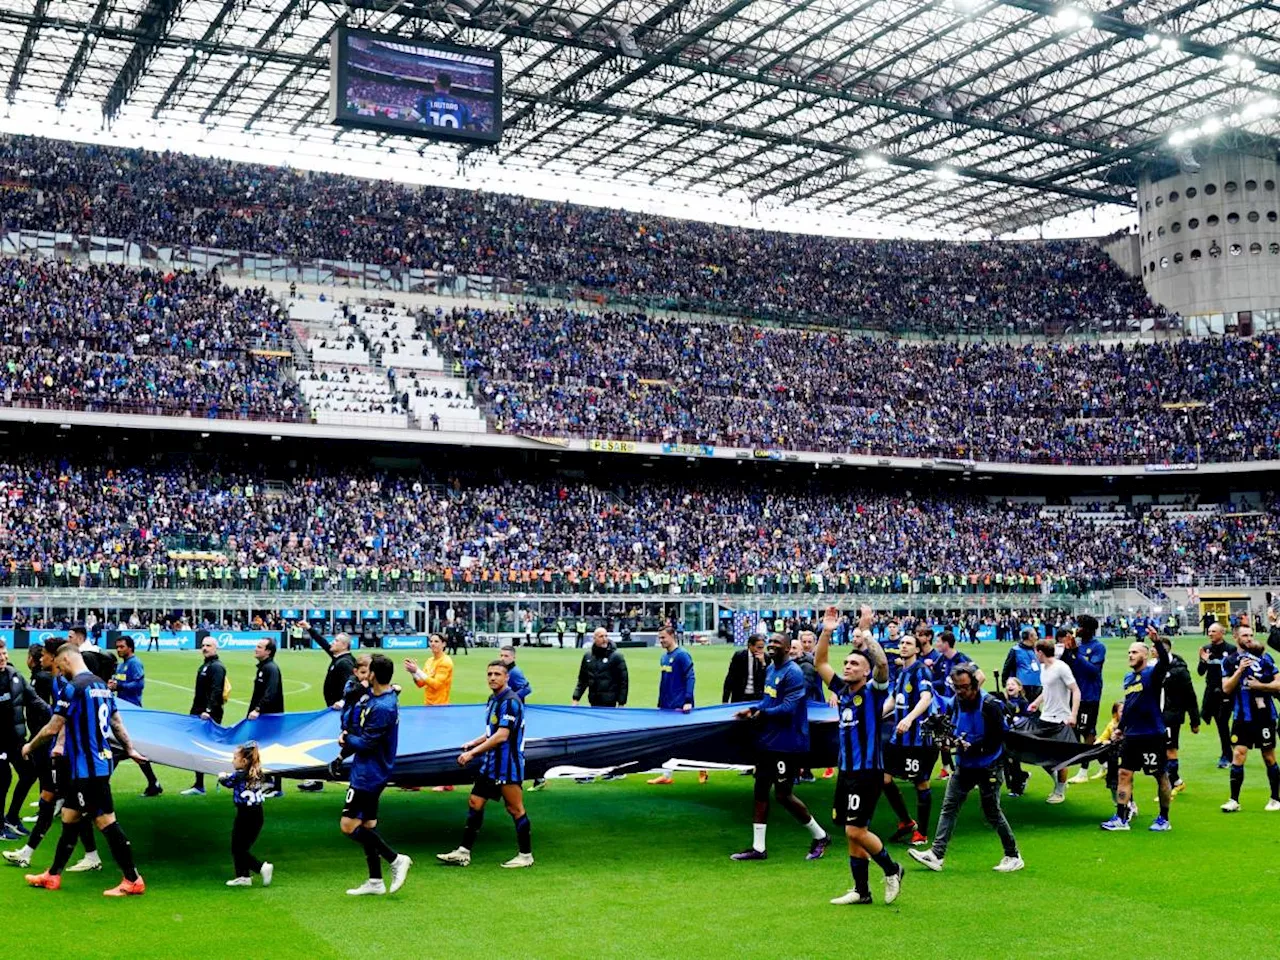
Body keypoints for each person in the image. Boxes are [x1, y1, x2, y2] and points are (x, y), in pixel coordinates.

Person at [21, 643, 147, 895]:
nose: (59, 672)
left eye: (59, 667)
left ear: (65, 661)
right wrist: (130, 749)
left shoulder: (74, 688)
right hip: (91, 766)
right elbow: (116, 722)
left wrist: (30, 746)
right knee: (69, 817)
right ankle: (53, 875)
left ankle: (132, 879)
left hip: (89, 770)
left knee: (106, 821)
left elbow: (53, 727)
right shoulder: (101, 685)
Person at [813, 606, 903, 905]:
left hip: (867, 772)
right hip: (847, 771)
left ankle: (892, 869)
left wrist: (865, 632)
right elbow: (820, 662)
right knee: (851, 833)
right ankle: (861, 891)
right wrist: (827, 630)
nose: (848, 666)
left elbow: (883, 665)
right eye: (847, 662)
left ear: (866, 671)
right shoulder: (843, 690)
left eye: (854, 663)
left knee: (856, 829)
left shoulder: (875, 691)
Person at [908, 663, 1024, 874]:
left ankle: (1013, 855)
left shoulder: (990, 705)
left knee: (992, 811)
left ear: (975, 685)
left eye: (964, 687)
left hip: (989, 765)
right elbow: (952, 729)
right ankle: (936, 854)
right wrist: (948, 744)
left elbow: (998, 738)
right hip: (965, 765)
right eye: (956, 687)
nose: (960, 692)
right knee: (949, 806)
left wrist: (972, 747)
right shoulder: (955, 703)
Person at [730, 630, 830, 862]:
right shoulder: (771, 670)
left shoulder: (793, 673)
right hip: (769, 741)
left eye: (777, 642)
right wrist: (753, 709)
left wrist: (760, 712)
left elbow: (788, 709)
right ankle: (758, 848)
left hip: (788, 743)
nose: (771, 645)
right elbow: (768, 700)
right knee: (761, 790)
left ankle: (820, 835)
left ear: (787, 649)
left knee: (784, 795)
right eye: (770, 641)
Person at [437, 660, 534, 869]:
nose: (492, 677)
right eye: (489, 673)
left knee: (515, 808)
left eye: (497, 674)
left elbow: (502, 735)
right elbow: (492, 731)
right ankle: (463, 852)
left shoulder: (510, 701)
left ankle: (526, 855)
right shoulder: (493, 699)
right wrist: (474, 742)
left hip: (507, 766)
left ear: (507, 677)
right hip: (490, 764)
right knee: (475, 802)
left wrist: (472, 753)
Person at [340, 654, 412, 896]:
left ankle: (396, 859)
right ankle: (375, 881)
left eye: (366, 670)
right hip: (370, 770)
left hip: (368, 774)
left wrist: (346, 739)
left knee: (349, 826)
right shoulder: (381, 696)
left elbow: (367, 744)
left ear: (373, 675)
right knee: (367, 825)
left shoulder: (382, 707)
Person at [1101, 627, 1173, 831]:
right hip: (1132, 735)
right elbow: (1130, 706)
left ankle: (1163, 818)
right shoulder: (1128, 678)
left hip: (1152, 734)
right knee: (1124, 773)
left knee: (1160, 775)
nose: (1130, 656)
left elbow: (1166, 662)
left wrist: (1157, 642)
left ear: (1145, 654)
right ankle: (1121, 817)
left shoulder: (1153, 674)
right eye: (1129, 653)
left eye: (1134, 652)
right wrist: (1120, 728)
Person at [881, 631, 936, 848]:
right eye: (902, 643)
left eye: (908, 644)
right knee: (884, 778)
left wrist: (910, 718)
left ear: (917, 649)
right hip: (899, 738)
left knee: (920, 782)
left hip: (918, 739)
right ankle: (906, 821)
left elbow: (926, 697)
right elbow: (895, 699)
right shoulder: (902, 672)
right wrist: (877, 715)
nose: (903, 646)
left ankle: (921, 833)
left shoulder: (921, 671)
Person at [1219, 623, 1280, 813]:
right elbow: (1226, 688)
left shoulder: (1265, 658)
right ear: (1236, 637)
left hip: (1264, 716)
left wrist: (1260, 686)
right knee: (1238, 754)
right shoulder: (1229, 661)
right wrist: (1239, 671)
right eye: (1245, 635)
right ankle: (1234, 800)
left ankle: (1275, 798)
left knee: (1268, 757)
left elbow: (1278, 685)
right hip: (1242, 717)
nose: (1249, 638)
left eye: (1251, 635)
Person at [298, 629, 357, 792]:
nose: (332, 642)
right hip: (335, 711)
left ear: (344, 645)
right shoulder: (339, 658)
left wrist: (343, 701)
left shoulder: (345, 663)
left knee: (342, 743)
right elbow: (325, 645)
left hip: (340, 712)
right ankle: (318, 778)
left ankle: (351, 779)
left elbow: (352, 682)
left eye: (336, 641)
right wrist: (309, 628)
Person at [0, 641, 45, 839]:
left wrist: (58, 715)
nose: (2, 658)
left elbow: (34, 700)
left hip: (16, 740)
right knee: (3, 779)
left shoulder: (14, 675)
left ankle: (11, 817)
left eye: (4, 653)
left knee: (29, 774)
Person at [1027, 637, 1079, 804]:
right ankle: (1058, 780)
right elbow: (1047, 689)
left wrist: (1073, 715)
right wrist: (1036, 702)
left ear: (1040, 652)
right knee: (1040, 755)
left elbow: (1076, 690)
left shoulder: (1061, 668)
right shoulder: (1044, 668)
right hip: (1045, 717)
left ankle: (1060, 791)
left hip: (1060, 719)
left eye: (1036, 652)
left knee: (1060, 758)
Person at [109, 636, 163, 797]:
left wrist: (119, 686)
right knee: (131, 749)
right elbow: (119, 683)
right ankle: (153, 783)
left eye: (121, 647)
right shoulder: (121, 666)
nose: (118, 650)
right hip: (122, 712)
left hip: (133, 712)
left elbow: (139, 685)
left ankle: (100, 784)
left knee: (118, 750)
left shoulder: (134, 663)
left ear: (130, 648)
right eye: (117, 647)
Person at [649, 626, 697, 785]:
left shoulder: (682, 655)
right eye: (659, 638)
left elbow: (690, 677)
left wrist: (688, 700)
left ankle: (703, 767)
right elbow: (664, 683)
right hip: (666, 706)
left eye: (663, 637)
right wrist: (660, 703)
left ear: (672, 636)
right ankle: (666, 775)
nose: (661, 641)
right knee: (669, 741)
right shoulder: (663, 658)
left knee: (684, 740)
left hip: (680, 706)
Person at [222, 741, 274, 887]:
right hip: (257, 814)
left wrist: (221, 777)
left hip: (246, 815)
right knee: (240, 847)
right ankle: (243, 876)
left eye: (234, 758)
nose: (232, 761)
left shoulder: (240, 775)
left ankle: (261, 867)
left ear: (243, 761)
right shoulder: (257, 772)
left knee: (237, 848)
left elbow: (227, 782)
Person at [1062, 615, 1106, 784]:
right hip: (1075, 693)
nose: (1077, 629)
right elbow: (1065, 664)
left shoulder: (1098, 647)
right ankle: (1105, 761)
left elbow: (1093, 671)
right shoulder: (1077, 646)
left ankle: (1083, 771)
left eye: (1080, 626)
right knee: (1078, 730)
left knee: (1086, 731)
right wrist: (1068, 650)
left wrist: (1075, 653)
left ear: (1088, 629)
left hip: (1090, 694)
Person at [183, 636, 228, 796]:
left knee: (209, 747)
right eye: (203, 645)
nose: (204, 648)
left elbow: (216, 691)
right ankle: (199, 784)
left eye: (208, 645)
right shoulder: (205, 665)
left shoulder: (217, 667)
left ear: (215, 647)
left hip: (208, 714)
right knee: (196, 746)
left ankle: (224, 777)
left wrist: (208, 711)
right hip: (198, 711)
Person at [1160, 637, 1200, 795]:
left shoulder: (1179, 670)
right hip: (1157, 714)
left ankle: (1172, 785)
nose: (1154, 651)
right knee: (1161, 749)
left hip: (1172, 714)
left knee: (1170, 748)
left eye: (1158, 648)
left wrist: (1194, 720)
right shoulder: (1153, 667)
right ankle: (1176, 780)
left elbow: (1190, 695)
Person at [247, 639, 285, 797]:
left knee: (272, 749)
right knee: (261, 749)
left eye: (259, 647)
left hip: (271, 717)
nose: (255, 649)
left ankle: (276, 787)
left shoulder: (271, 668)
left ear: (268, 651)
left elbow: (270, 693)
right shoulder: (264, 668)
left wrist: (257, 709)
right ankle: (267, 781)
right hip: (264, 717)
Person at [1198, 622, 1234, 768]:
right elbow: (1200, 672)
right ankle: (1231, 746)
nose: (1210, 634)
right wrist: (1203, 660)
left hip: (1225, 691)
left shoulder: (1230, 650)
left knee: (1222, 722)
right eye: (1209, 631)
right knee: (1208, 716)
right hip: (1211, 690)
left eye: (1213, 631)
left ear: (1222, 633)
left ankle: (1227, 755)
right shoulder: (1206, 649)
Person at [572, 628, 629, 708]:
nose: (604, 639)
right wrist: (576, 698)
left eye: (606, 636)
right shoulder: (588, 657)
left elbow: (623, 682)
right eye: (601, 636)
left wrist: (621, 703)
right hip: (594, 701)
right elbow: (583, 680)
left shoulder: (616, 657)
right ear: (594, 638)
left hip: (610, 703)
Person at [404, 634, 454, 706]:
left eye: (436, 641)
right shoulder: (429, 661)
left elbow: (436, 685)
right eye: (431, 641)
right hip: (428, 705)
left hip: (441, 706)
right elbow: (420, 684)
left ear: (444, 644)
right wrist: (413, 673)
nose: (433, 644)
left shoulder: (445, 662)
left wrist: (417, 670)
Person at [1001, 629, 1042, 704]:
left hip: (1037, 685)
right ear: (1030, 637)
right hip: (1022, 686)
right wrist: (1005, 682)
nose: (1037, 637)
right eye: (1035, 635)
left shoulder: (1036, 649)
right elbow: (1007, 666)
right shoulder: (1015, 650)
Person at [722, 635, 767, 703]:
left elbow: (769, 679)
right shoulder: (739, 656)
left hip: (757, 698)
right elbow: (730, 678)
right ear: (750, 645)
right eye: (758, 647)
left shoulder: (766, 657)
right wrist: (725, 700)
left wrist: (763, 664)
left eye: (762, 648)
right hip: (740, 697)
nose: (761, 650)